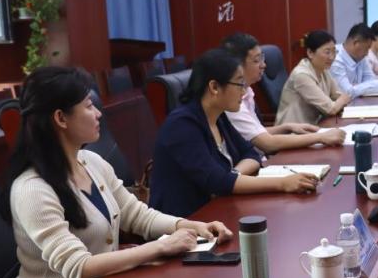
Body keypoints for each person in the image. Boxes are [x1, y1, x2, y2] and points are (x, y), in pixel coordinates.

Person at [0, 67, 233, 278]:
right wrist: (159, 247)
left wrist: (191, 226)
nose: (98, 113)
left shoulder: (91, 162)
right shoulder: (32, 190)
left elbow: (138, 215)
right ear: (61, 118)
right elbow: (79, 267)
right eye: (89, 106)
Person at [150, 49, 321, 218]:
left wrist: (233, 175)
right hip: (185, 222)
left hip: (218, 210)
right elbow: (217, 181)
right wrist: (283, 183)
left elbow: (251, 154)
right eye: (240, 84)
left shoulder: (218, 116)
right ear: (214, 87)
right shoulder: (182, 125)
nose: (244, 91)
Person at [221, 33, 344, 153]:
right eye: (257, 60)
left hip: (265, 154)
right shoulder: (231, 100)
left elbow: (256, 132)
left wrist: (287, 127)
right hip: (264, 156)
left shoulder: (247, 90)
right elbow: (267, 143)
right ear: (237, 65)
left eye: (262, 58)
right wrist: (320, 137)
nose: (264, 65)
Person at [277, 30, 353, 125]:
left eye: (334, 52)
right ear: (310, 53)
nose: (332, 57)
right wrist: (344, 98)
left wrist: (342, 99)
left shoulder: (323, 70)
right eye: (327, 52)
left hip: (314, 125)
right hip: (293, 130)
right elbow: (331, 108)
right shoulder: (301, 75)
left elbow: (336, 95)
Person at [331, 22, 378, 98]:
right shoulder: (335, 59)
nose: (367, 53)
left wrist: (358, 87)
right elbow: (347, 92)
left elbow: (371, 79)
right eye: (367, 48)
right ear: (356, 43)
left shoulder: (361, 57)